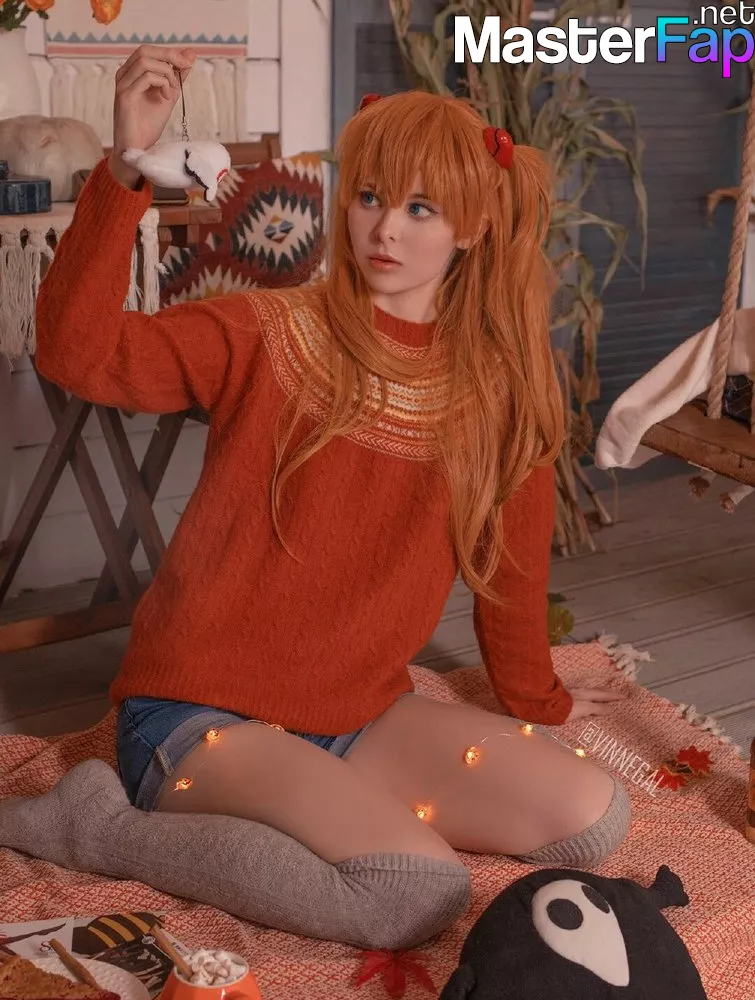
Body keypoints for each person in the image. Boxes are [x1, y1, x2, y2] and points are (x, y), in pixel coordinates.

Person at [0, 45, 630, 950]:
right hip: (198, 711)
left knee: (591, 816)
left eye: (421, 208)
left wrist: (540, 703)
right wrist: (124, 169)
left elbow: (510, 575)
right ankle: (96, 827)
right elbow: (77, 353)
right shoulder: (269, 328)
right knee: (412, 894)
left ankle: (323, 803)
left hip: (358, 714)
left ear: (474, 227)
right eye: (370, 196)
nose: (384, 228)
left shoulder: (503, 389)